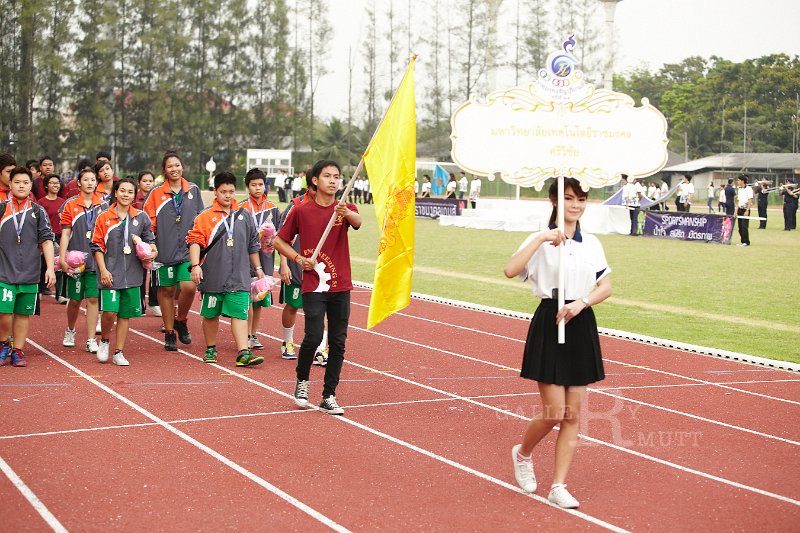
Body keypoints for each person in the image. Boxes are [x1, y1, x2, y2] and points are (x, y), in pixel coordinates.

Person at [504, 177, 612, 509]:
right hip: (550, 321)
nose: (576, 205)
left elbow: (605, 286)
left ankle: (558, 485)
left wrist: (581, 303)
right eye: (568, 198)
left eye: (581, 199)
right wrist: (541, 238)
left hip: (579, 320)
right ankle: (522, 454)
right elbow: (510, 270)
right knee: (554, 412)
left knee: (573, 415)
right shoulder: (540, 239)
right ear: (553, 200)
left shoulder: (591, 242)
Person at [274, 160, 362, 415]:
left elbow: (358, 222)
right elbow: (280, 241)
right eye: (327, 176)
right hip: (314, 283)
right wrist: (298, 259)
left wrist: (345, 213)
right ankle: (302, 380)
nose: (333, 181)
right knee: (313, 335)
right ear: (315, 180)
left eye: (337, 176)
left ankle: (329, 395)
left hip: (340, 284)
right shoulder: (301, 211)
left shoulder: (343, 209)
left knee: (337, 341)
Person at [187, 171, 265, 367]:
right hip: (213, 276)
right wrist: (195, 266)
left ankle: (243, 352)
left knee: (240, 312)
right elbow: (194, 241)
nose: (228, 195)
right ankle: (211, 347)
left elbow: (252, 245)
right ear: (215, 192)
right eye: (223, 192)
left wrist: (259, 268)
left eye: (231, 191)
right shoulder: (204, 217)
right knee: (211, 314)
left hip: (239, 276)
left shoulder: (244, 215)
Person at [91, 177, 157, 365]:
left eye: (130, 192)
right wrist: (103, 270)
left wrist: (153, 251)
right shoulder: (104, 217)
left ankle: (118, 351)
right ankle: (104, 340)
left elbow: (150, 240)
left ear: (134, 195)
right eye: (122, 191)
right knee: (110, 313)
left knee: (124, 315)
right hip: (110, 274)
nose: (126, 195)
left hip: (133, 276)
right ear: (115, 193)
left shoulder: (141, 217)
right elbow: (96, 246)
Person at [143, 151, 205, 351]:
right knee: (167, 290)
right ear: (164, 170)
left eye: (177, 165)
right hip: (164, 252)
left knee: (188, 287)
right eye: (170, 166)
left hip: (188, 251)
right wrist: (150, 245)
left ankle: (182, 319)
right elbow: (147, 223)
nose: (174, 169)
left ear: (182, 167)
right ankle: (169, 332)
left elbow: (201, 220)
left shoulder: (193, 190)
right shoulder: (155, 193)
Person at [0, 167, 56, 367]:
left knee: (23, 314)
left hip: (30, 272)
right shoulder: (2, 208)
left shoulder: (37, 211)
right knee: (4, 313)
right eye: (17, 182)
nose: (21, 186)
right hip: (4, 272)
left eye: (25, 182)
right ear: (10, 184)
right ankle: (4, 342)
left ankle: (17, 350)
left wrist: (50, 268)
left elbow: (47, 241)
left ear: (30, 186)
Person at [59, 168, 108, 353]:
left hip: (96, 259)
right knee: (75, 300)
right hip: (76, 261)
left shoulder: (103, 206)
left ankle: (90, 339)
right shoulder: (70, 205)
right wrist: (63, 258)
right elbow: (65, 233)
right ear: (78, 183)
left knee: (93, 299)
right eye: (85, 179)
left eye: (92, 180)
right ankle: (70, 330)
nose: (89, 183)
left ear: (96, 183)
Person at [241, 168, 281, 350]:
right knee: (247, 297)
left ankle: (254, 334)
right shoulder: (241, 208)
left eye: (260, 185)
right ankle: (246, 334)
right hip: (245, 257)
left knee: (259, 296)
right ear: (247, 186)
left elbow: (281, 235)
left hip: (265, 257)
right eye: (253, 185)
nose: (258, 188)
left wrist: (273, 241)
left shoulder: (273, 208)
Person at [37, 174, 67, 303]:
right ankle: (38, 290)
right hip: (45, 238)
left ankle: (59, 294)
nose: (56, 185)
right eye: (52, 183)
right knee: (42, 265)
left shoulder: (63, 202)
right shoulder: (41, 203)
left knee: (59, 266)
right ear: (46, 185)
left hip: (60, 238)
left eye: (57, 183)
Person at [735, 175, 753, 247]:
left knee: (744, 226)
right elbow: (738, 201)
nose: (737, 181)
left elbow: (749, 200)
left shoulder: (749, 189)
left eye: (739, 180)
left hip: (745, 209)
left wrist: (747, 210)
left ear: (742, 181)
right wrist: (736, 211)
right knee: (740, 227)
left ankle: (746, 242)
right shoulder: (739, 189)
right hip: (740, 209)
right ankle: (742, 241)